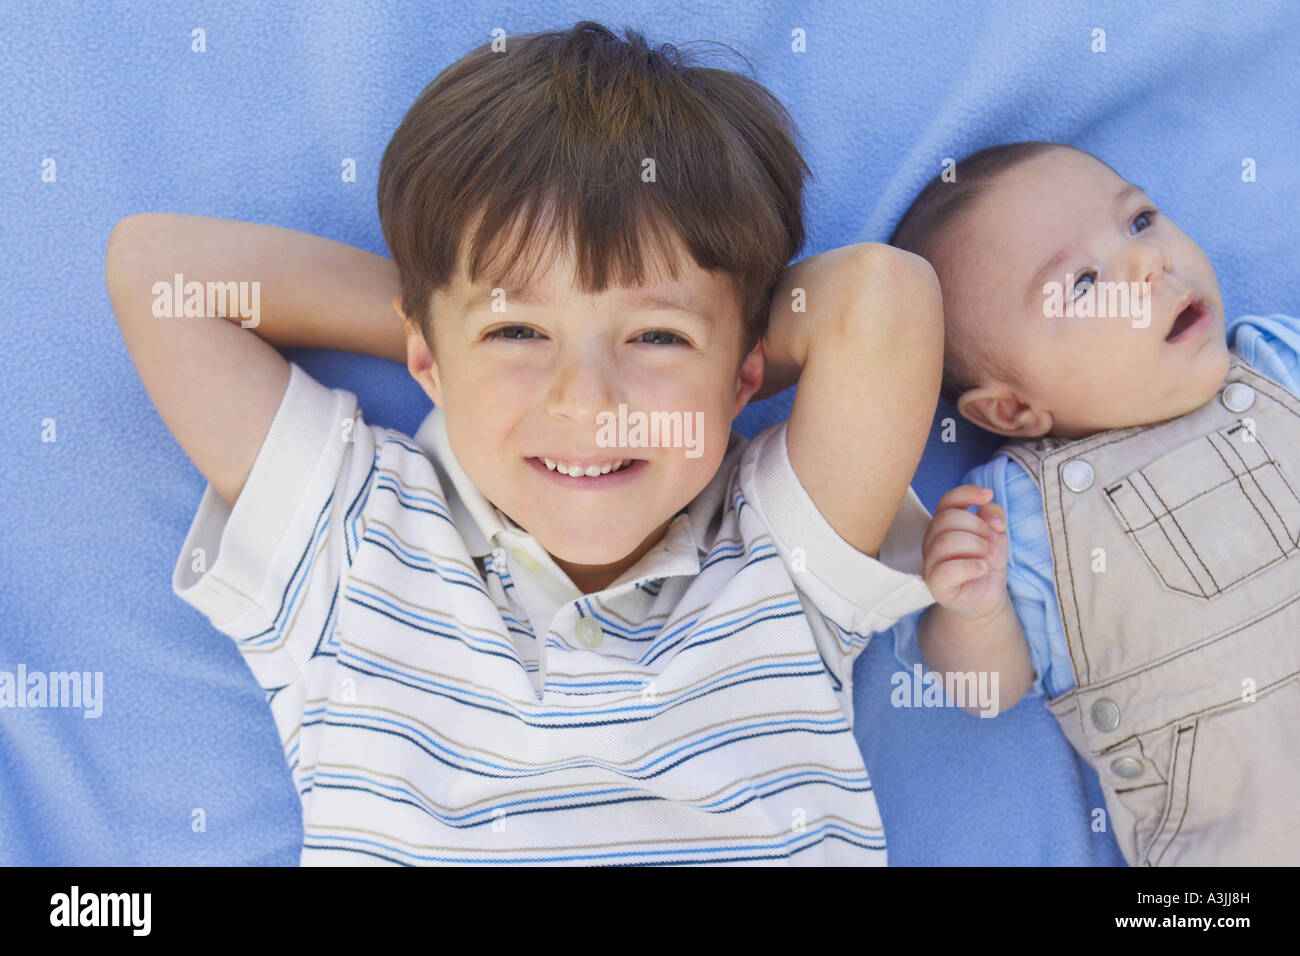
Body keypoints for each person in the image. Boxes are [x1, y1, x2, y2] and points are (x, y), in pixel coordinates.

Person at [106, 21, 942, 865]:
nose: (585, 401)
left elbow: (884, 300)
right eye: (518, 333)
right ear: (425, 358)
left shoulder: (778, 557)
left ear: (743, 378)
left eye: (656, 338)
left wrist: (483, 330)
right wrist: (443, 327)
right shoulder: (355, 544)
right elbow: (161, 276)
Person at [890, 140, 1300, 865]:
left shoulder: (1276, 363)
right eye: (1083, 284)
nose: (1148, 262)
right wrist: (974, 609)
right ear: (1014, 411)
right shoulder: (1018, 516)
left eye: (1140, 220)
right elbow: (987, 691)